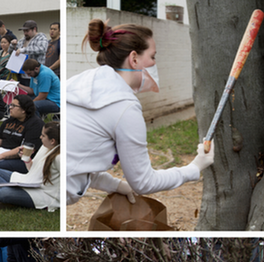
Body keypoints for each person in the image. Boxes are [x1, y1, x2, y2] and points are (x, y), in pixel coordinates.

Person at [67, 19, 215, 205]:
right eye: (153, 57)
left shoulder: (78, 84)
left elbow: (77, 164)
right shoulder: (124, 106)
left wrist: (118, 185)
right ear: (134, 59)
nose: (154, 63)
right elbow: (144, 183)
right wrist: (195, 167)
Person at [0, 122, 60, 211]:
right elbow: (33, 169)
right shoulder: (45, 146)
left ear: (52, 141)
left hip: (43, 194)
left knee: (4, 193)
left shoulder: (59, 157)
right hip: (29, 181)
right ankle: (12, 198)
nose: (40, 137)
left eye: (43, 136)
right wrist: (27, 158)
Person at [9, 20, 48, 86]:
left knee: (33, 93)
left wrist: (24, 50)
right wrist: (12, 45)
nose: (25, 33)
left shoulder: (41, 37)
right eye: (24, 31)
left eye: (27, 31)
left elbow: (42, 49)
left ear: (34, 29)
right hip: (22, 73)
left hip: (35, 74)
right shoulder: (22, 40)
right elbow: (11, 53)